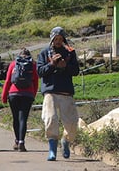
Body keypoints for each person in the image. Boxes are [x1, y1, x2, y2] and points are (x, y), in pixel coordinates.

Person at [37, 26, 80, 161]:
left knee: (72, 123)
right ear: (51, 39)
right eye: (56, 39)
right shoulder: (44, 53)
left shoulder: (70, 53)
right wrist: (52, 64)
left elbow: (76, 71)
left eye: (61, 39)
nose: (58, 41)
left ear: (64, 39)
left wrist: (65, 66)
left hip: (66, 91)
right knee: (51, 118)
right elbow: (40, 72)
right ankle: (52, 150)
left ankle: (65, 141)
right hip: (50, 91)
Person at [1, 48, 39, 151]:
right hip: (28, 94)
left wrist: (4, 96)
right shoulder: (33, 64)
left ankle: (17, 140)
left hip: (14, 93)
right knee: (23, 118)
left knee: (15, 118)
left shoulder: (13, 64)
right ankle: (22, 141)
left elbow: (8, 81)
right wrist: (33, 94)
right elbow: (35, 81)